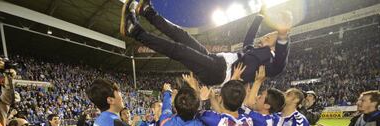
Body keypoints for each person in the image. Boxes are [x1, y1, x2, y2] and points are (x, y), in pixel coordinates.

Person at [120, 0, 291, 86]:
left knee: (180, 50)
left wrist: (283, 35)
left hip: (219, 72)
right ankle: (148, 12)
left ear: (275, 46)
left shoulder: (270, 63)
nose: (264, 37)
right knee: (183, 36)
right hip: (216, 60)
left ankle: (134, 31)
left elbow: (281, 60)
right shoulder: (252, 52)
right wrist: (260, 16)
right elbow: (249, 38)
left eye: (269, 38)